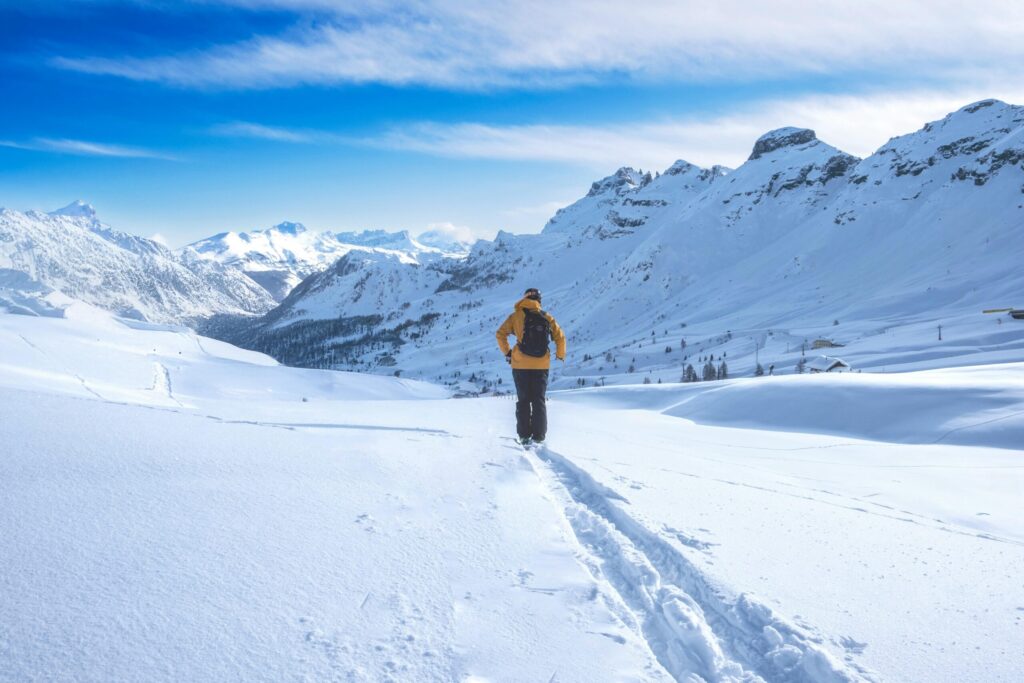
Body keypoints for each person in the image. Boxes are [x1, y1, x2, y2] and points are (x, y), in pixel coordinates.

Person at [496, 288, 567, 445]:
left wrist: (508, 353)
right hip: (541, 365)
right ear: (539, 300)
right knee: (538, 400)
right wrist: (560, 355)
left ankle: (524, 436)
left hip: (520, 364)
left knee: (523, 400)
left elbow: (500, 334)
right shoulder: (546, 317)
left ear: (524, 299)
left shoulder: (516, 316)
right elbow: (560, 338)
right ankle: (539, 436)